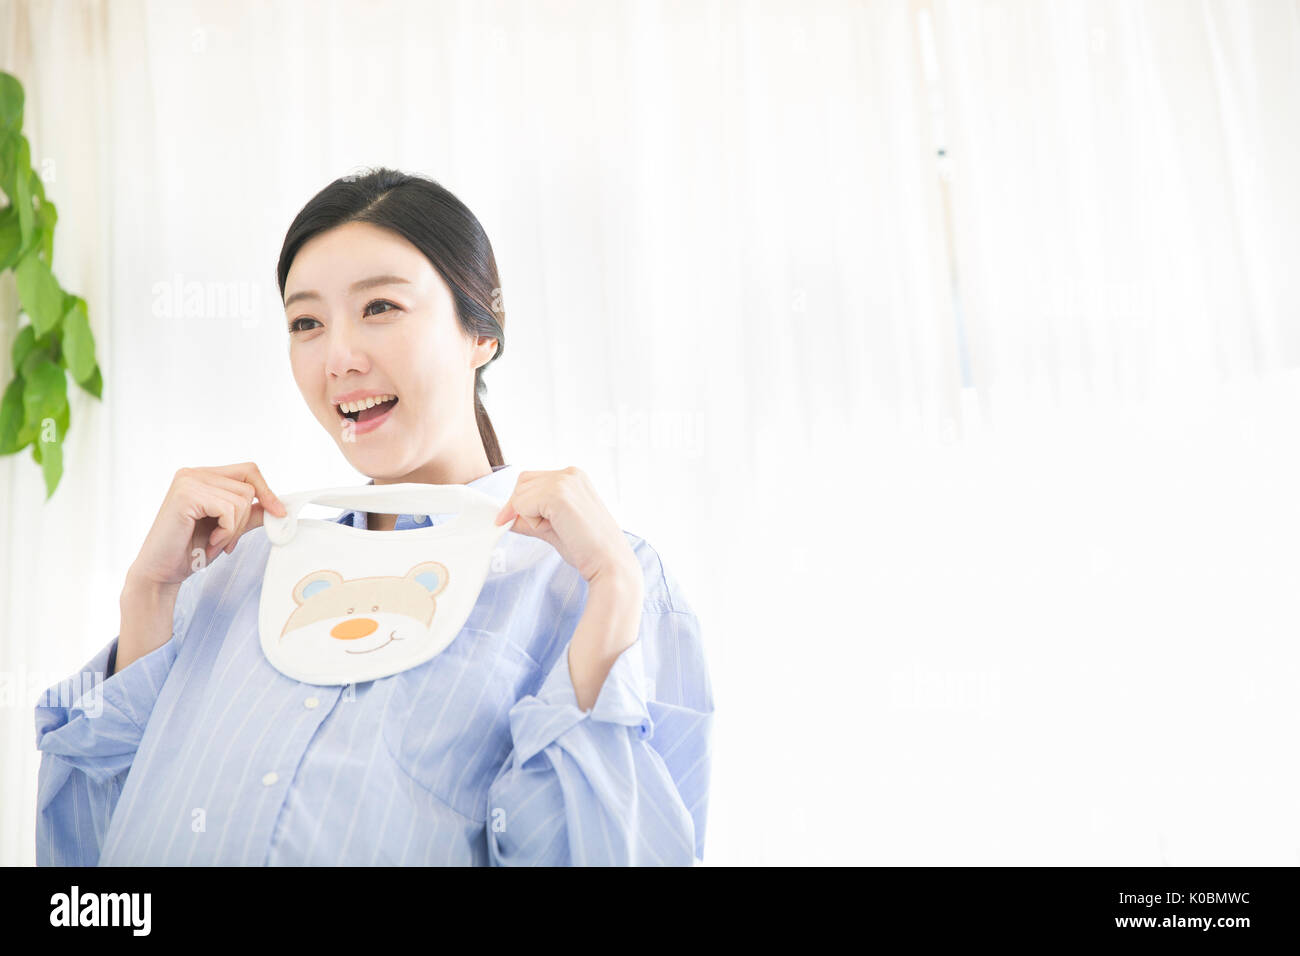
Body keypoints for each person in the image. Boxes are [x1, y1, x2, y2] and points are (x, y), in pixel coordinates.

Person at [34, 168, 714, 866]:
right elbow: (89, 864)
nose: (338, 358)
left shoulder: (591, 582)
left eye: (380, 307)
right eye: (306, 323)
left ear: (481, 332)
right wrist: (146, 596)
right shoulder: (229, 574)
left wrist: (614, 589)